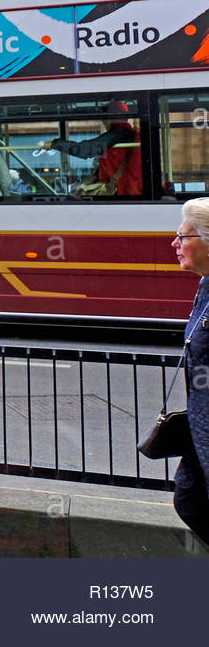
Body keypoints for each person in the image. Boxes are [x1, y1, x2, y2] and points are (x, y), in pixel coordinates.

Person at [170, 198, 209, 544]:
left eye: (183, 237)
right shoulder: (204, 288)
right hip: (201, 429)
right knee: (189, 498)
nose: (175, 244)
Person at [41, 99, 141, 197]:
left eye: (104, 120)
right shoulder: (127, 134)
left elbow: (85, 150)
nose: (104, 124)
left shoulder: (118, 134)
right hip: (126, 188)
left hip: (123, 190)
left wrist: (55, 144)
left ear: (110, 118)